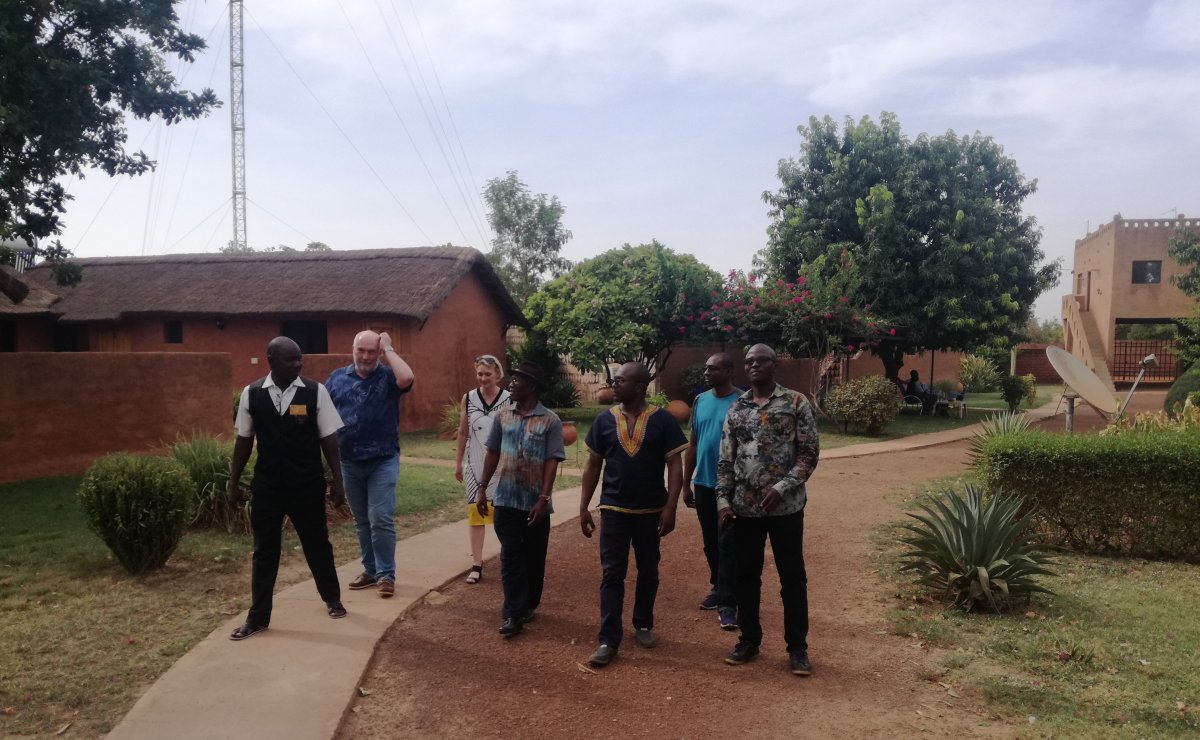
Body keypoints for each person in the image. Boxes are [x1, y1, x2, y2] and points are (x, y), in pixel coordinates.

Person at [228, 336, 348, 641]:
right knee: (264, 551)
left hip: (306, 484)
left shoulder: (315, 392)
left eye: (299, 359)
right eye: (290, 359)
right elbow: (244, 440)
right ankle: (257, 618)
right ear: (271, 360)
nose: (298, 364)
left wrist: (338, 480)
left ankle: (332, 598)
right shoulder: (252, 394)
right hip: (268, 486)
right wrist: (233, 482)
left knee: (317, 543)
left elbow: (329, 439)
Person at [717, 343, 819, 676]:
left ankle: (797, 648)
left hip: (786, 508)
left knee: (793, 577)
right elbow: (725, 460)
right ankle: (749, 640)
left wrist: (782, 487)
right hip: (745, 510)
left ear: (775, 365)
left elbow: (809, 455)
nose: (754, 365)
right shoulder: (736, 409)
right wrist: (722, 501)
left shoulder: (795, 402)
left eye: (762, 360)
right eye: (749, 361)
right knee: (746, 577)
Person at [579, 362, 687, 667]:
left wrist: (671, 507)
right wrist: (584, 506)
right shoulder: (604, 421)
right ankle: (607, 639)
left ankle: (642, 623)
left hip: (651, 510)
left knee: (648, 569)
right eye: (614, 380)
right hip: (613, 508)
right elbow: (593, 465)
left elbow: (675, 465)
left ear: (639, 386)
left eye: (620, 381)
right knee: (612, 573)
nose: (614, 384)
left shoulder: (663, 421)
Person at [475, 361, 566, 637]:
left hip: (535, 504)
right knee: (511, 555)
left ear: (533, 386)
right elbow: (492, 452)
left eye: (518, 380)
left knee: (534, 558)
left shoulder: (550, 420)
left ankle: (528, 604)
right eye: (512, 379)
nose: (511, 384)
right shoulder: (503, 417)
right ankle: (512, 613)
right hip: (505, 499)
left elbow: (552, 460)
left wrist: (543, 498)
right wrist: (482, 488)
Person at [326, 330, 415, 598]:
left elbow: (407, 378)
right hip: (349, 460)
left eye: (371, 351)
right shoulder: (336, 378)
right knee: (362, 520)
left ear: (379, 353)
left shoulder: (388, 376)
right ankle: (371, 570)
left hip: (382, 459)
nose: (365, 356)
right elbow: (324, 415)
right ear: (352, 350)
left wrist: (388, 347)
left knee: (380, 517)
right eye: (361, 351)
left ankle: (386, 575)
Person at [681, 352, 740, 630]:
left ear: (728, 371)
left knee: (728, 542)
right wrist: (686, 483)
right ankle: (718, 586)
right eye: (706, 368)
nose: (706, 373)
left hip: (730, 486)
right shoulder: (700, 401)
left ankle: (729, 602)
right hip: (703, 483)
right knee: (710, 541)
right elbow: (693, 444)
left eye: (712, 369)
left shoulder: (741, 401)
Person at [454, 354, 509, 583]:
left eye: (488, 374)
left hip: (502, 466)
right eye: (480, 374)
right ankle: (477, 563)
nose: (483, 378)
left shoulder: (509, 399)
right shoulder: (469, 398)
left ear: (497, 374)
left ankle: (509, 557)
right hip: (475, 464)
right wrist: (458, 463)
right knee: (475, 514)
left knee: (503, 514)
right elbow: (463, 432)